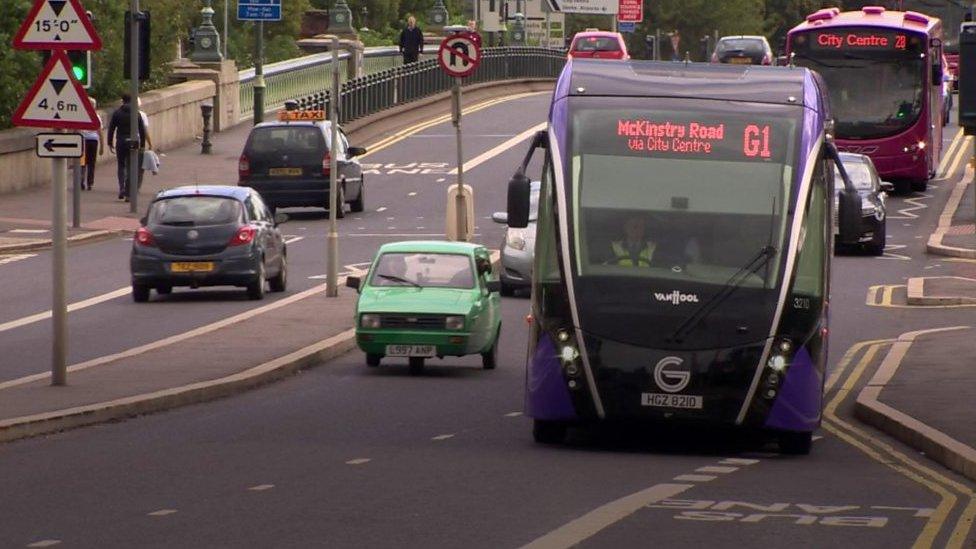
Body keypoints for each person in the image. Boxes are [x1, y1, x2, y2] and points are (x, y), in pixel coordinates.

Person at [107, 93, 147, 202]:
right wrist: (142, 145)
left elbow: (111, 128)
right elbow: (142, 130)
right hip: (133, 141)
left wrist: (110, 142)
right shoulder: (136, 113)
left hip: (121, 141)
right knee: (131, 167)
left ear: (122, 101)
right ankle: (129, 192)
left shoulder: (117, 113)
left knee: (121, 165)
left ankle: (122, 188)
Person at [80, 97, 104, 191]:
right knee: (91, 163)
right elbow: (99, 131)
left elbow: (76, 129)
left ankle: (81, 180)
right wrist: (102, 146)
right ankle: (90, 182)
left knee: (82, 162)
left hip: (83, 140)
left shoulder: (81, 115)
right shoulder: (96, 116)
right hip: (93, 141)